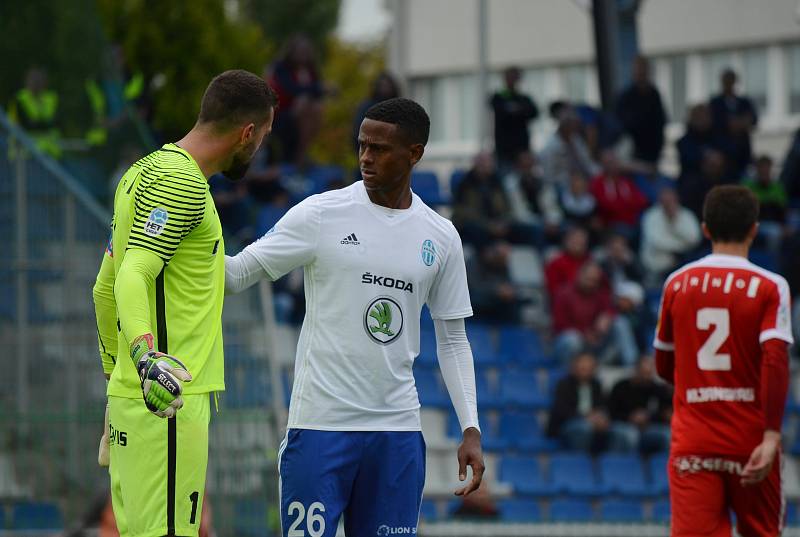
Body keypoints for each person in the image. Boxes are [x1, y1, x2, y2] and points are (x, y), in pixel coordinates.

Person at [224, 98, 484, 536]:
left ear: (414, 153)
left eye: (380, 148)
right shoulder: (321, 214)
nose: (366, 157)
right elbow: (237, 274)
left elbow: (454, 340)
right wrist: (189, 231)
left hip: (397, 434)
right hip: (321, 427)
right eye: (362, 145)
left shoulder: (440, 236)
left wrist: (471, 428)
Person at [92, 70, 277, 537]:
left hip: (138, 396)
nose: (259, 150)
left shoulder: (142, 172)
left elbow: (104, 287)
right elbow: (134, 275)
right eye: (263, 137)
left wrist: (119, 376)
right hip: (168, 400)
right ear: (247, 133)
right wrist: (145, 360)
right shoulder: (184, 184)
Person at [654, 185, 792, 537]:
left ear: (705, 229)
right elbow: (775, 360)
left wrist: (700, 387)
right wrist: (772, 435)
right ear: (754, 230)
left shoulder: (677, 283)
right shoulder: (770, 286)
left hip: (694, 438)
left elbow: (663, 366)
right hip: (750, 438)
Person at [552, 261, 636, 365]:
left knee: (620, 322)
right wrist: (585, 333)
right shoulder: (563, 293)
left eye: (594, 281)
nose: (590, 283)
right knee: (572, 339)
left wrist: (608, 317)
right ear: (579, 275)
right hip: (571, 341)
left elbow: (612, 310)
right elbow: (560, 325)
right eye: (588, 279)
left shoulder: (600, 294)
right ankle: (570, 373)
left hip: (596, 341)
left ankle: (631, 365)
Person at [268, 34, 326, 165]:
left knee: (316, 106)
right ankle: (299, 155)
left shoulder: (311, 70)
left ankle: (303, 151)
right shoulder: (281, 67)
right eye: (300, 51)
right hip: (281, 112)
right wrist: (318, 88)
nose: (303, 54)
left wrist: (318, 89)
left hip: (305, 113)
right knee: (303, 101)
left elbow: (316, 92)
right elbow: (291, 89)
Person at [607, 356, 672, 453]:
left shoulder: (658, 389)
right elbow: (611, 412)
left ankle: (663, 466)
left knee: (668, 434)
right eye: (643, 372)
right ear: (636, 370)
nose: (646, 376)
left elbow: (664, 414)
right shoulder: (621, 386)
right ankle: (630, 466)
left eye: (649, 373)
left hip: (649, 427)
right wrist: (630, 417)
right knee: (631, 435)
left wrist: (648, 418)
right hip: (623, 424)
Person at [547, 352, 610, 452]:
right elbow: (562, 410)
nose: (584, 368)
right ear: (574, 367)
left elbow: (602, 406)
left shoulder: (596, 385)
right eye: (582, 366)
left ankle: (612, 465)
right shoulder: (564, 384)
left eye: (588, 366)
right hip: (567, 424)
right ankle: (579, 463)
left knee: (619, 431)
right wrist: (585, 418)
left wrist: (601, 418)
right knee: (583, 428)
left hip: (592, 424)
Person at [640, 187, 702, 285]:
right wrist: (682, 246)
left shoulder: (687, 215)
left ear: (676, 199)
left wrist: (674, 221)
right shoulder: (651, 215)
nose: (668, 204)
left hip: (682, 264)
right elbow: (657, 243)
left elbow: (694, 239)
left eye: (670, 200)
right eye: (664, 201)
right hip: (656, 267)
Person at [615, 56, 667, 165]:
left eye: (643, 70)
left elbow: (660, 120)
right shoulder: (625, 96)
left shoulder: (654, 94)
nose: (641, 73)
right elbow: (621, 124)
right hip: (633, 151)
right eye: (638, 70)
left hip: (652, 151)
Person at [709, 69, 758, 181]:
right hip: (724, 154)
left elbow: (754, 119)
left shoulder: (744, 101)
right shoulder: (715, 103)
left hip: (743, 152)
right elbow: (714, 124)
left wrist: (740, 123)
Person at [589, 149, 648, 236]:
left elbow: (642, 201)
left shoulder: (626, 181)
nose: (612, 166)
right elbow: (606, 205)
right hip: (610, 225)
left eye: (614, 162)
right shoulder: (598, 182)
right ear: (602, 165)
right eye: (608, 163)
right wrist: (628, 204)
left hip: (631, 223)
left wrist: (623, 204)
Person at [489, 66, 539, 170]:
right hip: (504, 150)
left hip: (522, 150)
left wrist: (515, 109)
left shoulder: (524, 98)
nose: (513, 81)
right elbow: (502, 112)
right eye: (510, 77)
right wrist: (519, 110)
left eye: (515, 77)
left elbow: (534, 113)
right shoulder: (498, 97)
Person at [539, 105, 600, 187]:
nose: (575, 127)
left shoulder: (576, 140)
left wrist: (601, 174)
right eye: (572, 124)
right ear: (564, 125)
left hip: (583, 182)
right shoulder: (551, 147)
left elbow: (587, 162)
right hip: (563, 186)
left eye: (576, 124)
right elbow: (549, 176)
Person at [8, 67, 61, 159]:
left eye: (39, 80)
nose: (36, 83)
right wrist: (45, 123)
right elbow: (26, 125)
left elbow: (58, 122)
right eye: (33, 80)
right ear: (26, 81)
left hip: (50, 153)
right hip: (24, 153)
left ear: (45, 82)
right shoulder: (19, 99)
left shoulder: (52, 98)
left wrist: (36, 123)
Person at [743, 155, 788, 255]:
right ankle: (773, 261)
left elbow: (782, 210)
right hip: (755, 224)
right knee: (774, 233)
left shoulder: (777, 187)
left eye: (767, 168)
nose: (764, 171)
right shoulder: (748, 186)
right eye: (761, 168)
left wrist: (785, 226)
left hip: (774, 223)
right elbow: (746, 211)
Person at [352, 72, 400, 151]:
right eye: (383, 86)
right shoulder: (367, 107)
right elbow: (358, 131)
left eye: (388, 86)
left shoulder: (399, 107)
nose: (386, 89)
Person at [544, 226, 591, 300]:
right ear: (566, 241)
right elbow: (553, 291)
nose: (579, 243)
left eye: (582, 241)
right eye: (575, 240)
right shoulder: (555, 264)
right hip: (565, 303)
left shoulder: (591, 262)